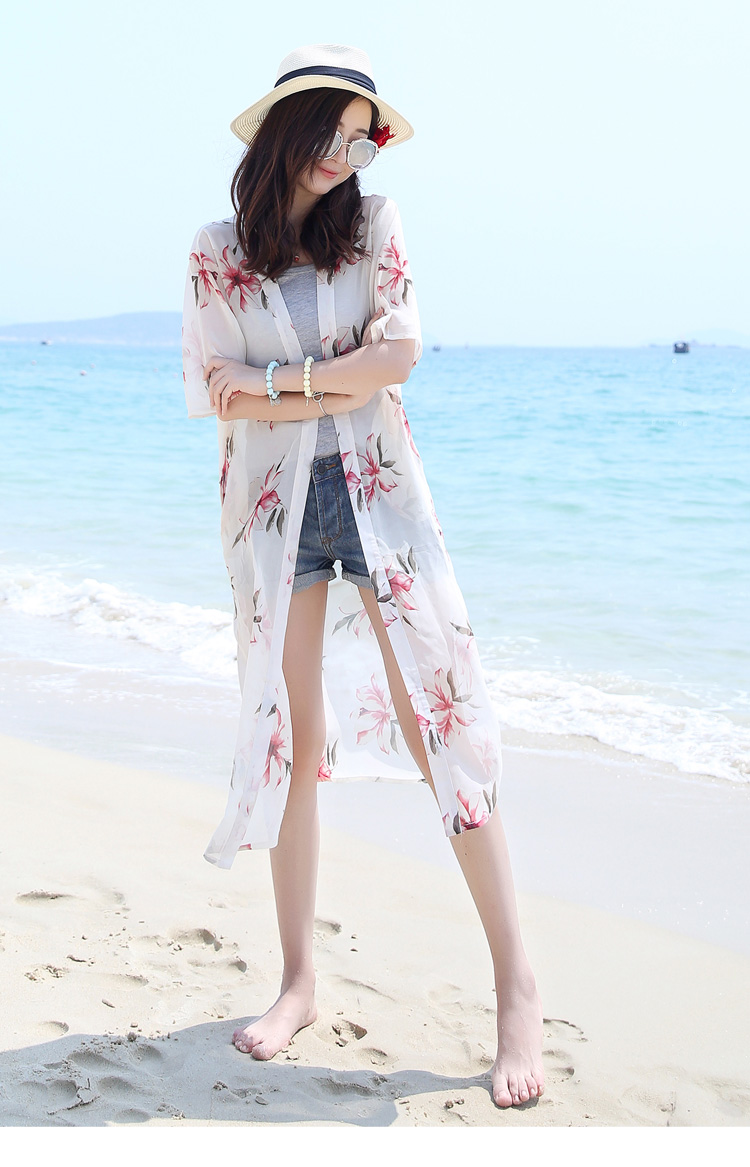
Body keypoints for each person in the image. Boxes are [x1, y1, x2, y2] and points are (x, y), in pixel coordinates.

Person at [181, 43, 544, 1109]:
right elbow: (215, 390)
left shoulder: (375, 227)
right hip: (275, 514)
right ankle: (296, 981)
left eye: (363, 139)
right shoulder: (215, 252)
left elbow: (397, 362)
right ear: (287, 128)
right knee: (292, 742)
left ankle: (516, 986)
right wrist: (311, 385)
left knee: (443, 725)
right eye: (335, 134)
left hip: (378, 498)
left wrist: (275, 380)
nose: (348, 156)